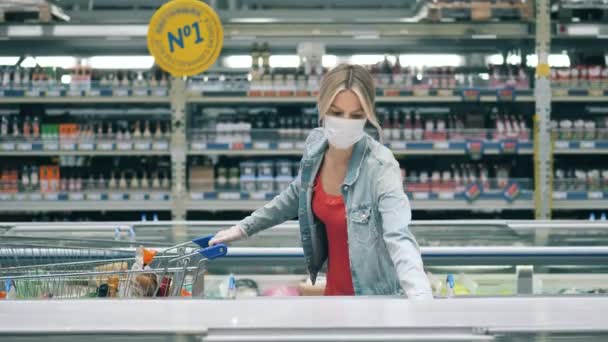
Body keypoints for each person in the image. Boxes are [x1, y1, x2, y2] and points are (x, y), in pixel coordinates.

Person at [210, 64, 433, 299]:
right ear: (322, 107)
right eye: (336, 113)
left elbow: (398, 235)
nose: (346, 122)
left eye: (356, 116)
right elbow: (297, 193)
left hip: (375, 301)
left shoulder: (381, 166)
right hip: (334, 297)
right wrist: (244, 228)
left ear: (368, 114)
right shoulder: (316, 146)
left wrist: (420, 296)